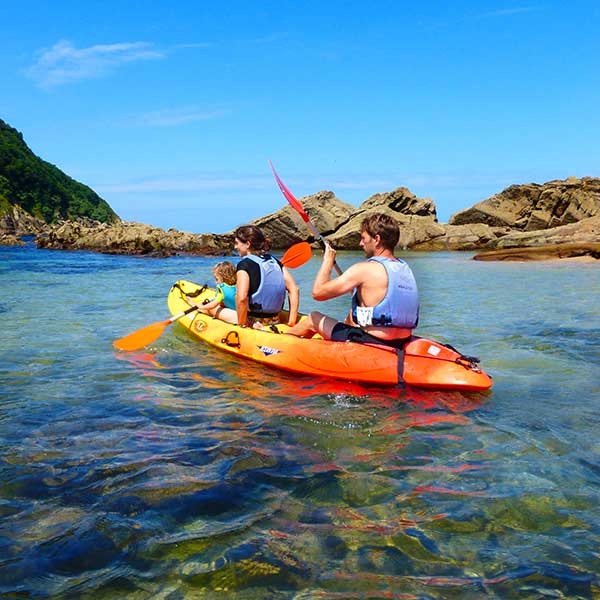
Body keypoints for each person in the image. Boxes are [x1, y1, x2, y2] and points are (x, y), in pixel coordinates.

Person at [286, 213, 419, 347]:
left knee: (313, 318)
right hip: (401, 342)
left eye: (363, 238)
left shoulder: (365, 269)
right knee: (351, 316)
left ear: (376, 239)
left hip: (372, 341)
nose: (361, 243)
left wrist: (328, 261)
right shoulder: (405, 269)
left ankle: (281, 345)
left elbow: (318, 293)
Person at [220, 224, 300, 329]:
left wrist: (242, 326)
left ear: (247, 244)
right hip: (275, 320)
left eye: (237, 243)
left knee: (214, 309)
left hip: (254, 322)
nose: (235, 247)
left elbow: (242, 298)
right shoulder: (275, 262)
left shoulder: (244, 265)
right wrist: (291, 322)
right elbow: (294, 289)